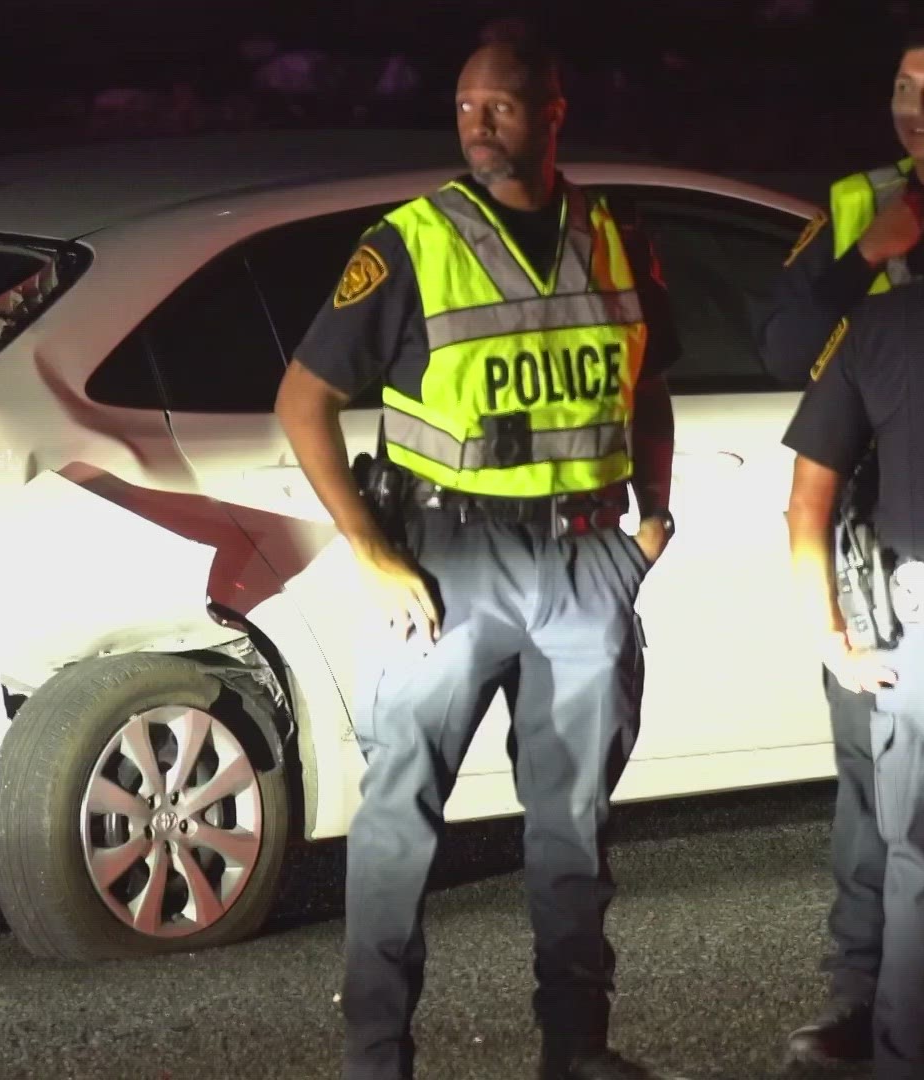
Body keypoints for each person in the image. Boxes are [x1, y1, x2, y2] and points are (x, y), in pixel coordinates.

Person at [274, 32, 683, 1080]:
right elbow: (304, 399)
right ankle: (377, 1056)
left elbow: (647, 384)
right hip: (450, 561)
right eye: (465, 110)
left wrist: (655, 518)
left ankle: (576, 1048)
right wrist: (369, 549)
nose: (479, 126)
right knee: (399, 820)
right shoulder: (412, 241)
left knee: (575, 825)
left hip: (589, 556)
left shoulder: (615, 230)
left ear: (554, 112)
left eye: (500, 107)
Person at [753, 26, 924, 1067]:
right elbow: (782, 343)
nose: (919, 109)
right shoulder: (858, 205)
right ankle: (863, 992)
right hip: (887, 522)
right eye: (905, 88)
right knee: (881, 771)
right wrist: (866, 255)